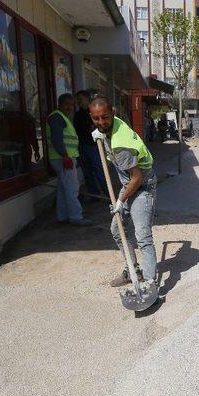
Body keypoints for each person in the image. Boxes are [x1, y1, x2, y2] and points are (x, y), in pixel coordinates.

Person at [89, 95, 157, 287]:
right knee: (116, 230)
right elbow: (130, 179)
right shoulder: (112, 125)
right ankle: (132, 270)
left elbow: (137, 178)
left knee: (143, 235)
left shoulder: (121, 146)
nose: (101, 122)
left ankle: (150, 283)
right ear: (91, 116)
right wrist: (102, 134)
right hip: (129, 183)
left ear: (113, 113)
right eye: (96, 118)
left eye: (105, 117)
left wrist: (120, 202)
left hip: (142, 185)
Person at [46, 93, 92, 226]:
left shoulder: (62, 117)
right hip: (63, 158)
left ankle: (63, 216)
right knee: (72, 188)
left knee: (63, 189)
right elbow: (56, 138)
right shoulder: (56, 117)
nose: (69, 107)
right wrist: (65, 155)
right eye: (66, 104)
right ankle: (76, 217)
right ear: (59, 104)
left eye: (72, 105)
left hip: (63, 157)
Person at [74, 90, 107, 199]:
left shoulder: (94, 113)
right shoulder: (77, 115)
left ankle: (109, 195)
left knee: (100, 172)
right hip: (82, 147)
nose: (78, 102)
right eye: (77, 100)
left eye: (80, 99)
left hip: (94, 146)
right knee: (87, 173)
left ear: (87, 99)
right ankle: (95, 195)